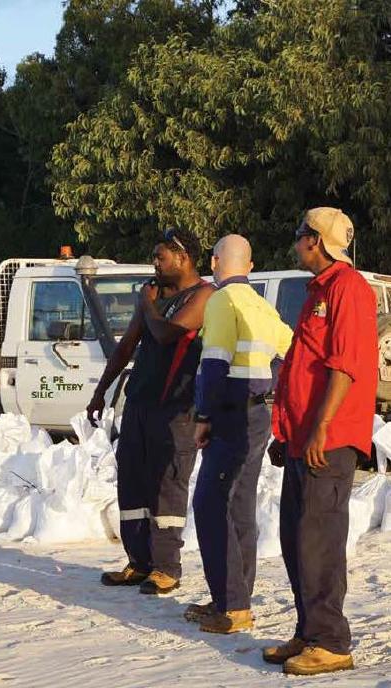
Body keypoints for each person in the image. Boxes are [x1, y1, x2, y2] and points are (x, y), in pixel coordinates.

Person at [263, 208, 378, 676]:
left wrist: (321, 428)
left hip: (328, 439)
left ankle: (331, 641)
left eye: (299, 235)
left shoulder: (348, 288)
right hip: (305, 436)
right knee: (295, 536)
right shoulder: (319, 290)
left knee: (319, 539)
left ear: (316, 240)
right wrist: (289, 432)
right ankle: (309, 631)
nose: (295, 243)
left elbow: (345, 365)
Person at [87, 228, 215, 594]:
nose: (155, 264)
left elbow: (166, 334)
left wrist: (146, 305)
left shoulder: (204, 295)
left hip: (176, 407)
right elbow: (128, 344)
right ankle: (138, 561)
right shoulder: (154, 295)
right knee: (133, 482)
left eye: (161, 257)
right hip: (140, 403)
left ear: (184, 258)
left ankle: (166, 568)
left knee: (166, 485)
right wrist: (101, 391)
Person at [186, 234, 293, 633]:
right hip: (258, 414)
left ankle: (231, 606)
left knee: (211, 503)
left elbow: (214, 363)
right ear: (249, 267)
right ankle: (235, 599)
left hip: (230, 415)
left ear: (215, 263)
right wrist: (269, 382)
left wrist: (203, 415)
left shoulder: (220, 302)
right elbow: (290, 349)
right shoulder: (262, 305)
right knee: (240, 504)